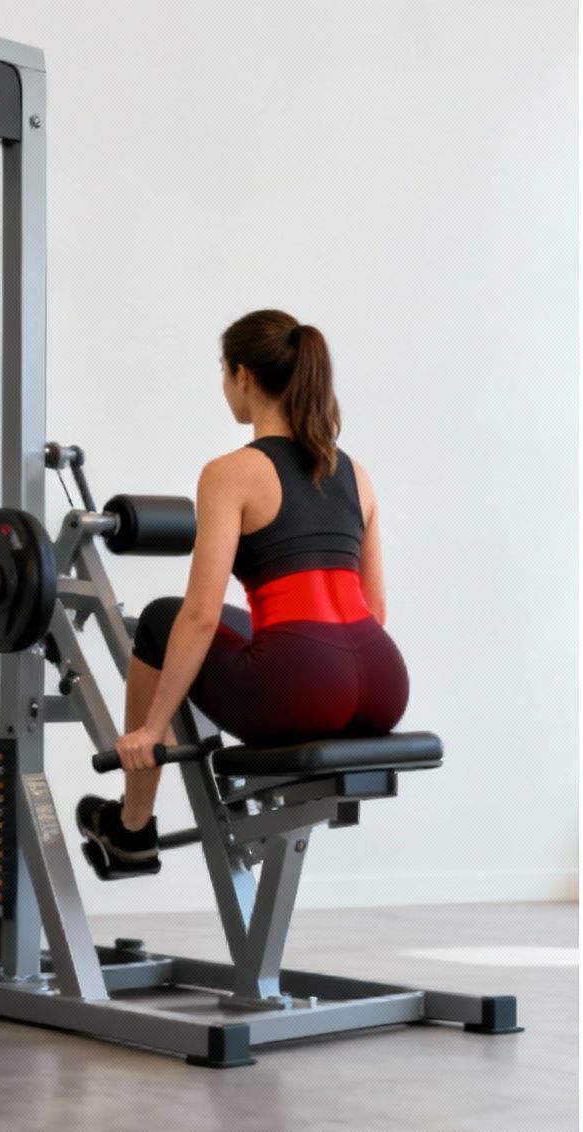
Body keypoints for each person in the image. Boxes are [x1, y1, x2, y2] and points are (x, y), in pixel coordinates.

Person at [75, 309, 406, 878]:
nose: (224, 384)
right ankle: (133, 826)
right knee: (258, 628)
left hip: (305, 690)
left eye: (223, 371)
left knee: (160, 618)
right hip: (384, 685)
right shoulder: (355, 472)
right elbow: (374, 610)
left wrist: (151, 731)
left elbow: (201, 617)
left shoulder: (229, 474)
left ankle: (132, 827)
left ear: (243, 375)